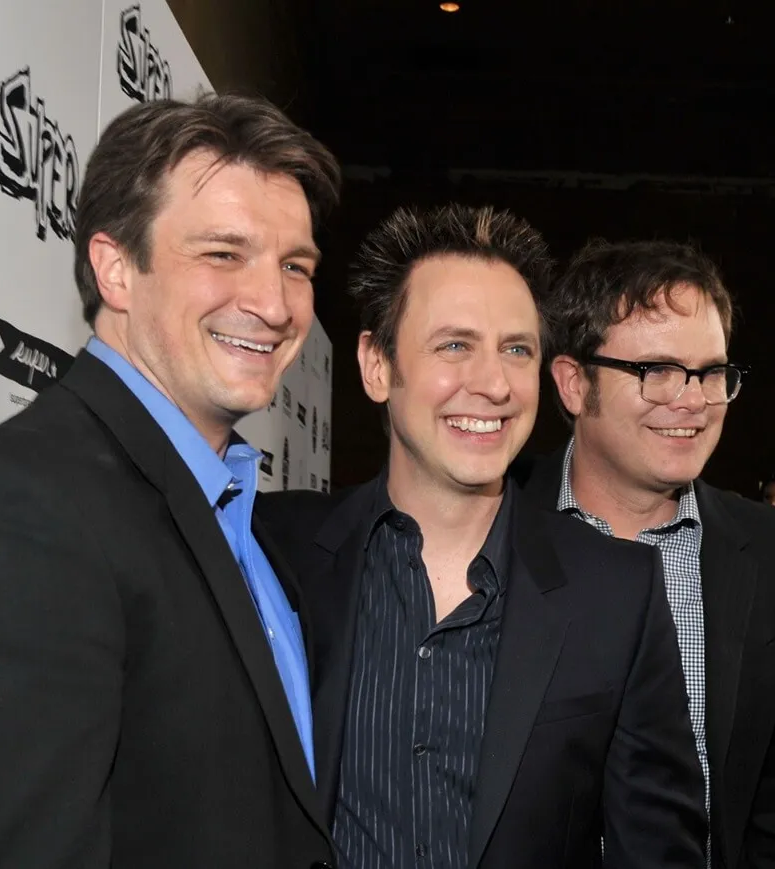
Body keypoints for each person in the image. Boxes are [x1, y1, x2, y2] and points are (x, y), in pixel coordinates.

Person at [0, 95, 343, 869]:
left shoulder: (234, 509)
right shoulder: (20, 511)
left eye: (296, 265)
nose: (275, 303)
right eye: (224, 254)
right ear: (115, 268)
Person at [259, 205, 708, 868]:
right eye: (454, 345)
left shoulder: (617, 591)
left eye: (517, 350)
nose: (494, 384)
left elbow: (661, 851)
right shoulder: (276, 550)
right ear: (377, 365)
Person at [511, 239, 775, 869]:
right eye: (655, 370)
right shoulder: (496, 527)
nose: (692, 400)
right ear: (574, 383)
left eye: (712, 372)